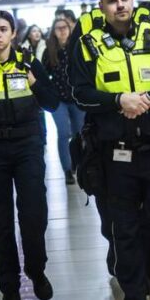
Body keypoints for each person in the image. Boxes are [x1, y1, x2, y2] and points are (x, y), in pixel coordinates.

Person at [70, 0, 150, 300]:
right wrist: (118, 100)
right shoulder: (88, 44)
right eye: (112, 0)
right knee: (124, 232)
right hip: (116, 154)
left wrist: (148, 98)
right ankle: (135, 291)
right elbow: (79, 92)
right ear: (102, 5)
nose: (119, 5)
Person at [0, 11, 58, 300]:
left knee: (33, 214)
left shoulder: (28, 63)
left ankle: (36, 270)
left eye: (3, 29)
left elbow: (52, 101)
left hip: (27, 147)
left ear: (12, 34)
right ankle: (9, 283)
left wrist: (33, 81)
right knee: (0, 219)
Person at [43, 17, 84, 185]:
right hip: (58, 99)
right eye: (58, 28)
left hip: (77, 98)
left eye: (65, 27)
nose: (62, 30)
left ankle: (78, 165)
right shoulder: (49, 51)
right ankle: (67, 170)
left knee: (79, 133)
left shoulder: (77, 47)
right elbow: (44, 75)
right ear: (54, 31)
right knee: (63, 133)